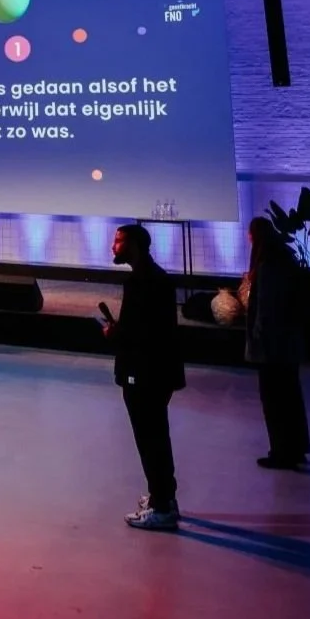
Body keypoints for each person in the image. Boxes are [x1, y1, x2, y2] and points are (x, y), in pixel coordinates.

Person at [105, 224, 185, 532]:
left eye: (118, 241)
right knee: (156, 436)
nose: (113, 246)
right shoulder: (155, 278)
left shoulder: (143, 282)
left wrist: (116, 333)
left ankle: (162, 506)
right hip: (156, 371)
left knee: (150, 438)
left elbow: (143, 333)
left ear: (134, 245)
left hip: (144, 372)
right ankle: (163, 496)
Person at [246, 217, 310, 470]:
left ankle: (281, 451)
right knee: (291, 397)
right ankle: (295, 448)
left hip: (273, 346)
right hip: (288, 341)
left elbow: (266, 308)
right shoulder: (285, 257)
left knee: (274, 400)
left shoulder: (268, 264)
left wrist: (258, 338)